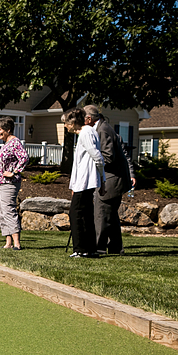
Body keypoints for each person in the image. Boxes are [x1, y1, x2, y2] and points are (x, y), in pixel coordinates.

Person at [83, 105, 135, 255]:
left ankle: (98, 248)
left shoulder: (103, 130)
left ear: (89, 119)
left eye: (83, 119)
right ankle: (115, 248)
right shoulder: (103, 128)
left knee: (101, 214)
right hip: (115, 179)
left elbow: (108, 157)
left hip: (112, 180)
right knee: (111, 215)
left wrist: (90, 162)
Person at [62, 108, 105, 258]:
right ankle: (89, 249)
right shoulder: (87, 133)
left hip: (85, 182)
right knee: (85, 215)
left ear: (73, 122)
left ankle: (81, 249)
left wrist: (102, 179)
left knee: (76, 214)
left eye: (66, 123)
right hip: (83, 182)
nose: (65, 126)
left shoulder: (86, 133)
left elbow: (97, 157)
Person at [0, 116, 29, 250]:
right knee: (2, 213)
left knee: (8, 211)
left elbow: (24, 158)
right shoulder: (6, 144)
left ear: (8, 130)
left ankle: (17, 243)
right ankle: (8, 242)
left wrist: (14, 172)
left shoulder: (15, 142)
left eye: (0, 130)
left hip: (9, 183)